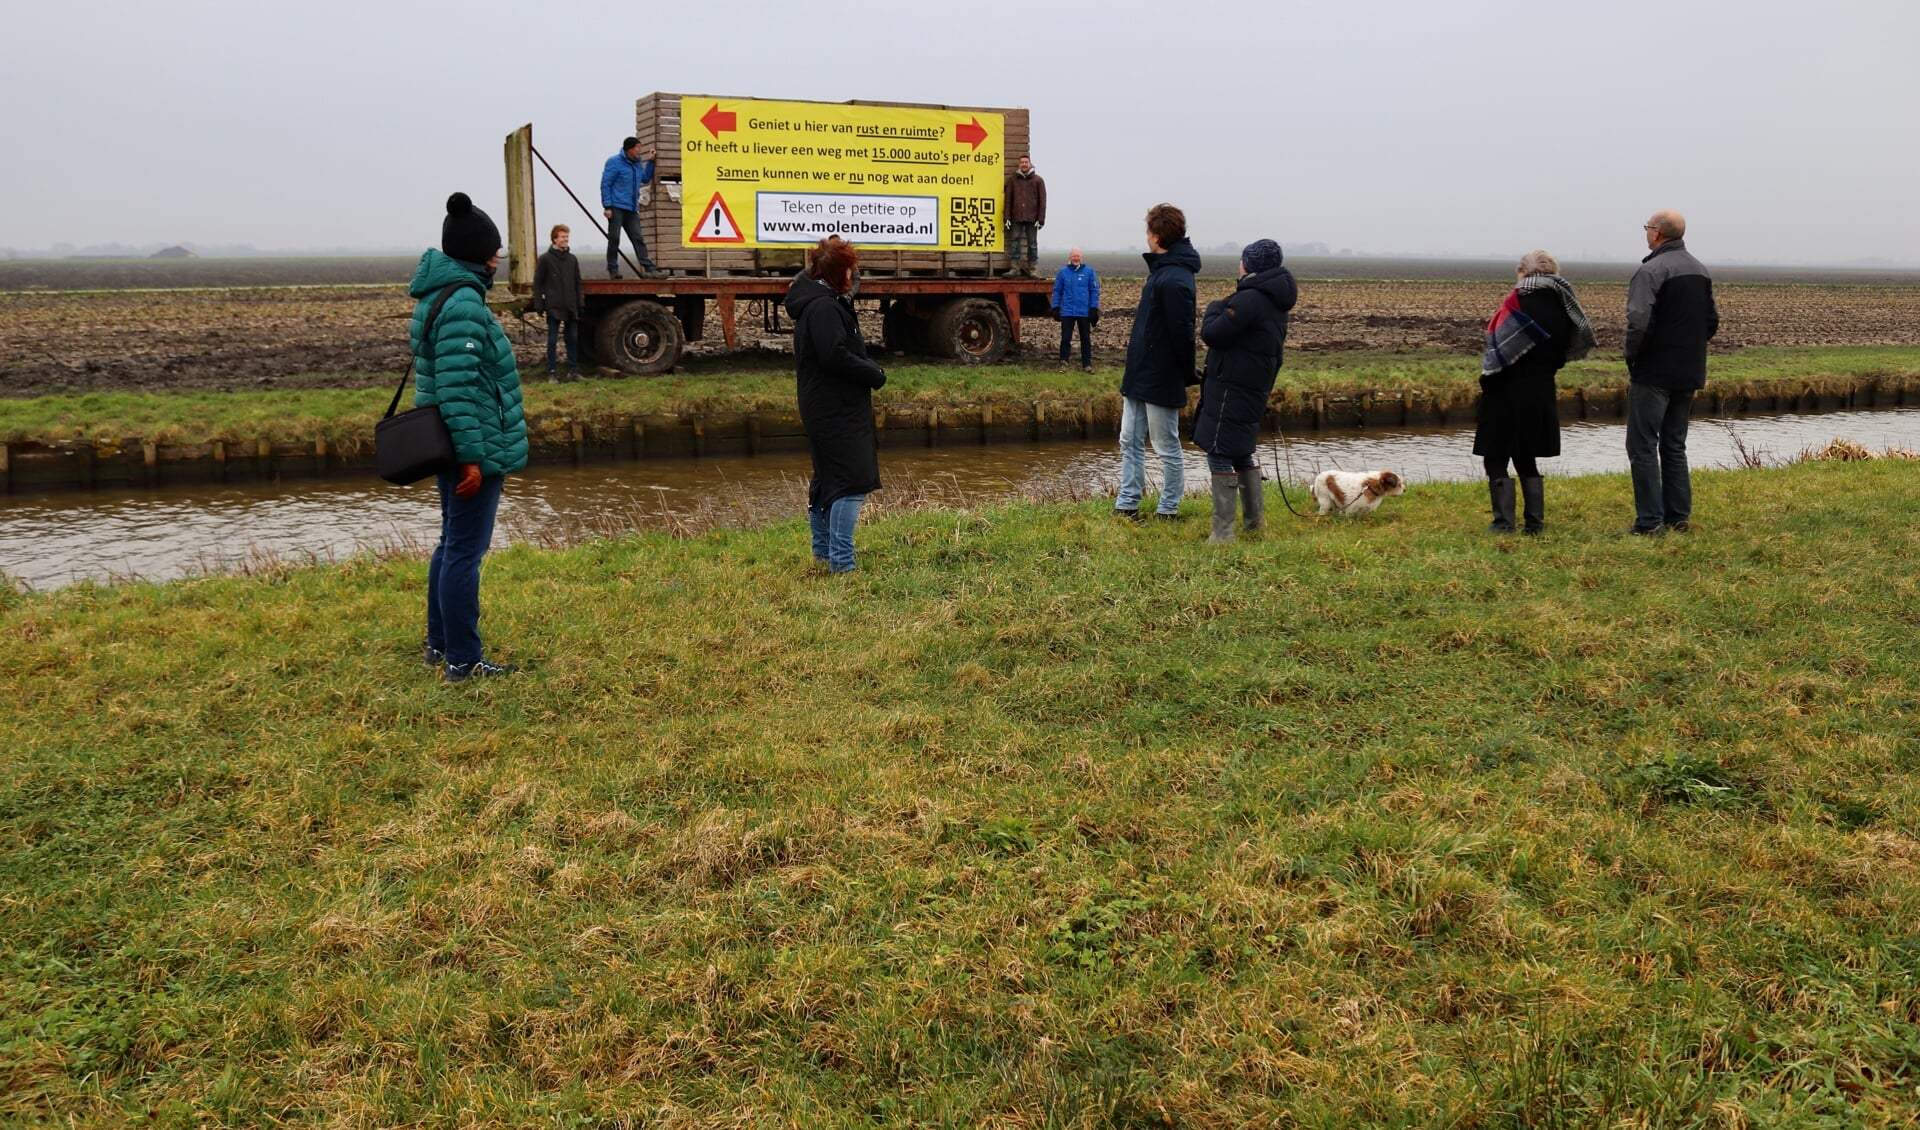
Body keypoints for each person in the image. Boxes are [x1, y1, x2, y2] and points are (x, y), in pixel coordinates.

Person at [411, 192, 528, 682]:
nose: (498, 258)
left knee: (450, 542)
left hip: (453, 442)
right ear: (475, 255)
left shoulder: (445, 294)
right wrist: (473, 460)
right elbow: (458, 392)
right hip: (469, 446)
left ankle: (440, 645)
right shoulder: (462, 303)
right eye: (493, 251)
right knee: (464, 551)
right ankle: (463, 659)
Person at [784, 237, 887, 573]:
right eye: (850, 268)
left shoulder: (816, 302)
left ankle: (823, 555)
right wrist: (874, 373)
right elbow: (833, 355)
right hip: (835, 407)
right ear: (839, 270)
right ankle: (842, 563)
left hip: (824, 403)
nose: (853, 274)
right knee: (851, 481)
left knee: (828, 478)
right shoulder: (825, 307)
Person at [1475, 249, 1596, 534]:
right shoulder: (1565, 305)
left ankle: (1503, 524)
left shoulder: (1516, 303)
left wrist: (1487, 381)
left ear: (1523, 273)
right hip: (1541, 389)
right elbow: (1564, 352)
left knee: (1495, 458)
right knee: (1525, 456)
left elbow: (1498, 355)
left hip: (1506, 390)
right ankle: (1534, 524)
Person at [1195, 239, 1297, 543]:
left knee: (1219, 450)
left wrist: (1214, 309)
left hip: (1232, 388)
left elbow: (1212, 333)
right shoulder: (1274, 300)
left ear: (1250, 266)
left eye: (1242, 261)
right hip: (1253, 388)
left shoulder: (1250, 299)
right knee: (1241, 449)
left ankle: (1223, 533)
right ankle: (1254, 524)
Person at [1624, 209, 1718, 535]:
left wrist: (1633, 357)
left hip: (1653, 372)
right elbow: (1711, 322)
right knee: (1674, 445)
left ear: (1658, 234)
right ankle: (1678, 518)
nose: (1646, 232)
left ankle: (1649, 523)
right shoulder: (1700, 270)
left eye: (1647, 227)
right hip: (1689, 370)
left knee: (1643, 446)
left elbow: (1637, 322)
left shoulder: (1651, 270)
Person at [1115, 203, 1200, 520]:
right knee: (1129, 441)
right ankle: (1127, 504)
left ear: (1157, 237)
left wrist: (1185, 372)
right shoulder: (1163, 273)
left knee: (1166, 445)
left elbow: (1183, 334)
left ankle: (1169, 509)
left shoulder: (1174, 279)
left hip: (1161, 375)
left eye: (1148, 232)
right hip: (1139, 374)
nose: (1146, 238)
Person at [601, 136, 661, 279]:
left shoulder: (637, 164)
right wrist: (607, 206)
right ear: (629, 149)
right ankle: (613, 269)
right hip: (616, 206)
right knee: (614, 238)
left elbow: (645, 178)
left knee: (637, 237)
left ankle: (649, 269)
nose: (640, 150)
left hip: (632, 208)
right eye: (637, 147)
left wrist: (651, 161)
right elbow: (605, 184)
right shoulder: (614, 162)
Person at [532, 223, 584, 380]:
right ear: (554, 239)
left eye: (567, 237)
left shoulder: (572, 259)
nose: (565, 239)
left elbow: (577, 283)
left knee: (573, 339)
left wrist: (580, 304)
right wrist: (539, 304)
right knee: (552, 339)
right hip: (554, 306)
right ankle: (552, 372)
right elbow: (538, 283)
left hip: (570, 305)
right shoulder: (545, 259)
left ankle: (573, 371)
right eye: (562, 237)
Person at [1051, 247, 1100, 372]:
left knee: (1085, 338)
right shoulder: (1063, 272)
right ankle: (1064, 362)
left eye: (1078, 256)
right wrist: (1055, 307)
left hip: (1083, 311)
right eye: (1074, 256)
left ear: (1081, 257)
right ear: (1070, 258)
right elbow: (1057, 291)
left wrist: (1094, 308)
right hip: (1067, 311)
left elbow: (1094, 291)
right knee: (1066, 338)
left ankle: (1087, 364)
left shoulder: (1089, 272)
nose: (1076, 258)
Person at [1003, 154, 1046, 277]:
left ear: (1030, 164)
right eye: (1022, 162)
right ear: (1019, 164)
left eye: (1026, 162)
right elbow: (1008, 200)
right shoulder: (1013, 180)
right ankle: (1014, 269)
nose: (1024, 164)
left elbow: (1042, 201)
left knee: (1032, 243)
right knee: (1015, 242)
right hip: (1016, 217)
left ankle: (1033, 269)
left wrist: (1041, 219)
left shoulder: (1038, 180)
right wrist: (1007, 217)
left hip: (1032, 219)